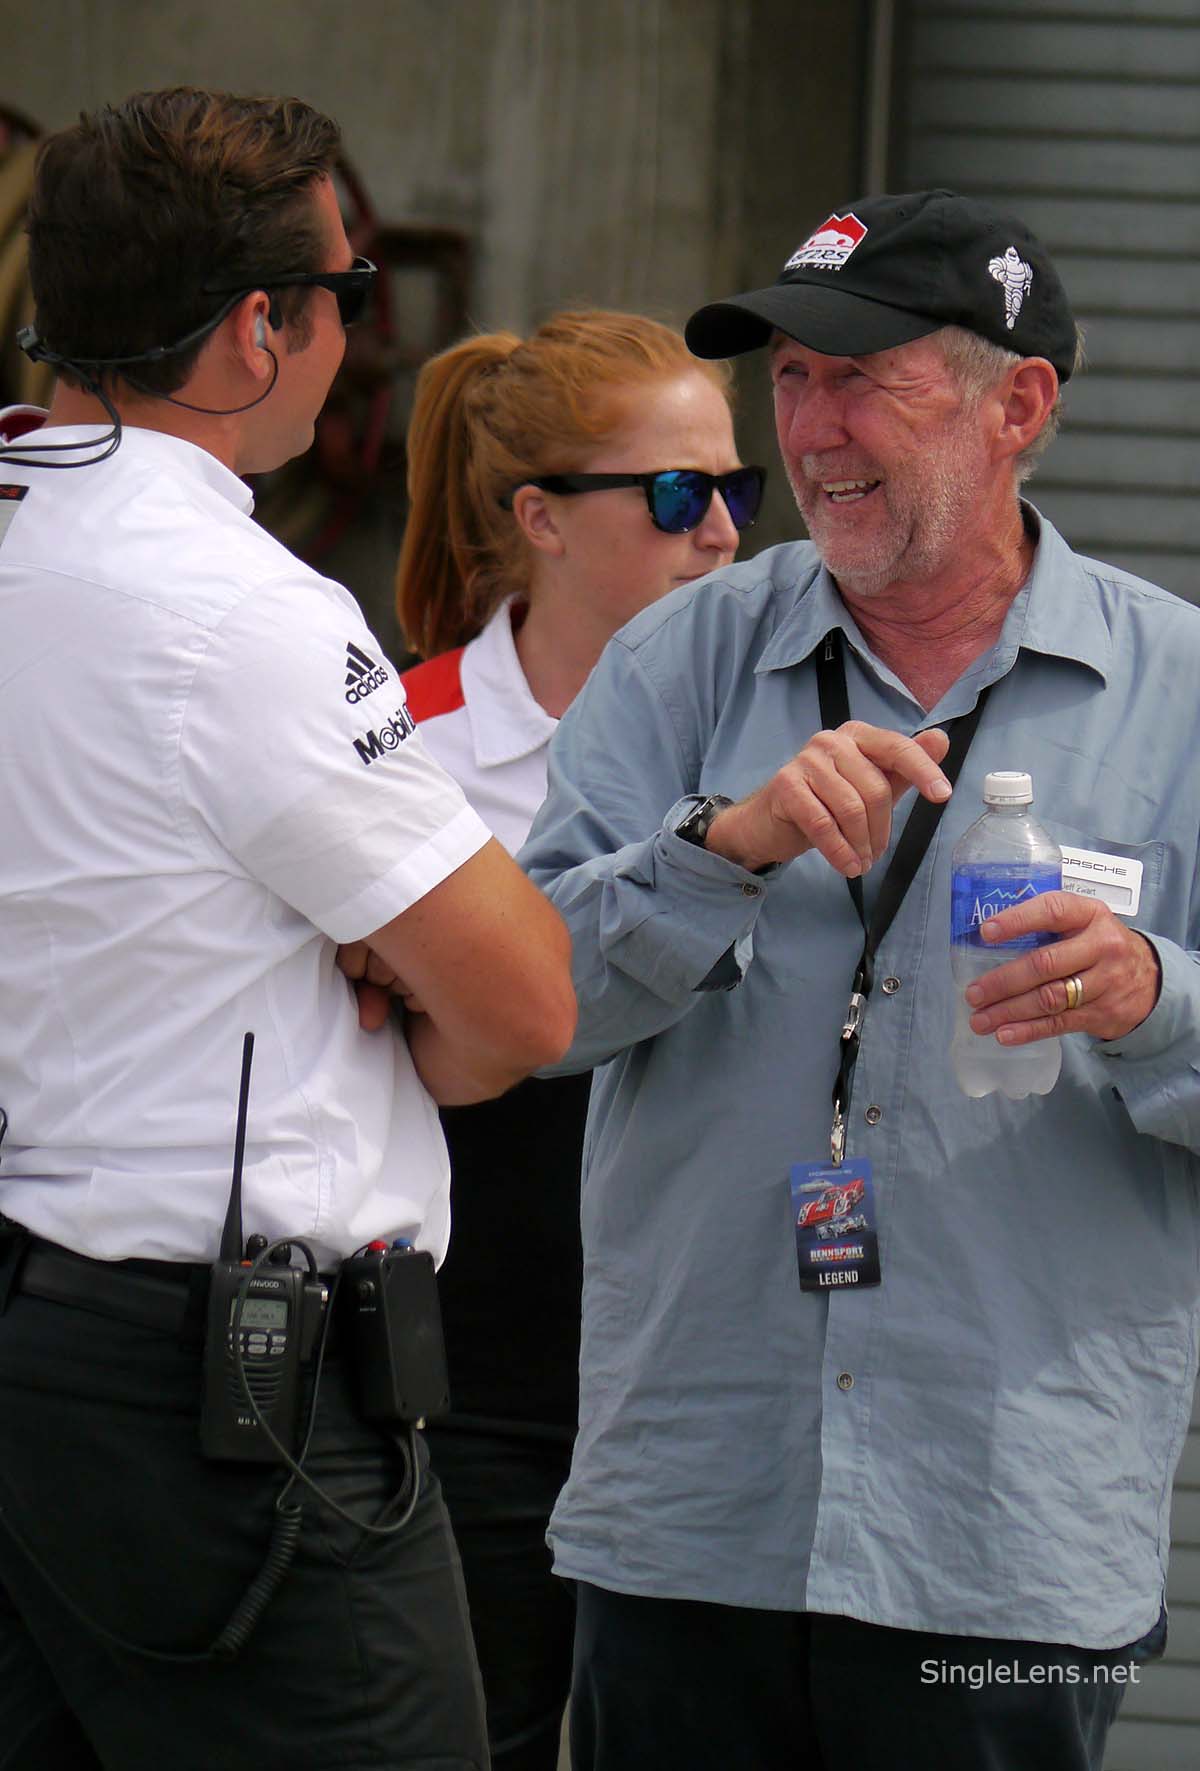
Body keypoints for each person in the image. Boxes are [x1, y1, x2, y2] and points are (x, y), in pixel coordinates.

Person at [519, 187, 1200, 1771]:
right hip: (693, 1518)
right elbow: (527, 1010)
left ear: (1017, 405)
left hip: (1002, 1539)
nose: (814, 430)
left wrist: (1151, 995)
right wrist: (719, 849)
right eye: (792, 379)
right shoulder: (678, 661)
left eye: (863, 378)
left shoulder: (1178, 696)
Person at [0, 87, 575, 1771]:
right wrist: (387, 969)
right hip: (218, 1388)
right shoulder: (238, 610)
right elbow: (524, 1006)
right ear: (262, 328)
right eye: (346, 294)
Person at [392, 310, 758, 1771]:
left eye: (738, 488)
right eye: (678, 494)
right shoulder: (394, 744)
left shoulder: (785, 743)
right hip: (464, 1384)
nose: (724, 532)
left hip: (713, 1383)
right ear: (539, 518)